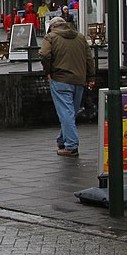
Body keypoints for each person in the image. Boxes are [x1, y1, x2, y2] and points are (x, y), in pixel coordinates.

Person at [40, 16, 95, 157]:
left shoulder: (50, 37)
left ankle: (71, 146)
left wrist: (48, 71)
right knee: (71, 113)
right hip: (79, 80)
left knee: (66, 113)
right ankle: (62, 140)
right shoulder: (80, 37)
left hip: (60, 79)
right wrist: (91, 77)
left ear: (52, 26)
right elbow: (89, 58)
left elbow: (44, 55)